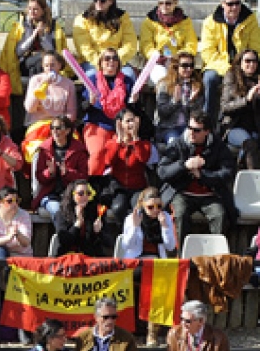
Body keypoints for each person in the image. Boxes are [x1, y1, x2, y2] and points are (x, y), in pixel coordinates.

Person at [156, 110, 236, 248]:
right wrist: (184, 165)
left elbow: (228, 172)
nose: (191, 132)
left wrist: (203, 176)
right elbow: (162, 171)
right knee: (179, 215)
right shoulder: (178, 144)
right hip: (182, 193)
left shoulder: (218, 146)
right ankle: (182, 261)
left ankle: (216, 260)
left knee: (220, 215)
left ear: (207, 131)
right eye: (189, 128)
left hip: (210, 195)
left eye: (196, 130)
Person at [199, 0, 260, 124]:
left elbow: (255, 48)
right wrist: (230, 69)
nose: (234, 7)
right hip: (218, 67)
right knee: (209, 79)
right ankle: (206, 123)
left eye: (237, 3)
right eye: (230, 4)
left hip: (244, 65)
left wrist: (242, 67)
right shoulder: (210, 22)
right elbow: (208, 53)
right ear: (222, 4)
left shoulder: (250, 20)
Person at [0, 0, 66, 99]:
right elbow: (18, 51)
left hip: (46, 64)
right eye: (29, 9)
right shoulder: (22, 25)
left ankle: (35, 96)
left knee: (40, 63)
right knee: (39, 60)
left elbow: (53, 51)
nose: (31, 12)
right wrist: (33, 36)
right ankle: (39, 94)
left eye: (35, 9)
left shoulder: (52, 26)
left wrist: (42, 36)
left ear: (43, 11)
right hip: (24, 61)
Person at [97, 106, 157, 225]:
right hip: (120, 188)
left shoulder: (144, 144)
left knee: (139, 209)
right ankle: (124, 233)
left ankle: (140, 235)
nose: (131, 124)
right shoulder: (111, 143)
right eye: (128, 121)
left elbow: (143, 158)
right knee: (118, 208)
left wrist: (135, 139)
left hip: (138, 188)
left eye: (133, 120)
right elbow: (109, 161)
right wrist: (119, 140)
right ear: (120, 124)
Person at [82, 48, 134, 176]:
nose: (111, 61)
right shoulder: (91, 80)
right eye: (107, 58)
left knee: (121, 153)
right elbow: (82, 108)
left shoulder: (127, 81)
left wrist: (134, 101)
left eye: (114, 58)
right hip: (96, 125)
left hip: (120, 127)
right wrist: (90, 102)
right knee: (98, 152)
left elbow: (133, 110)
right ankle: (92, 186)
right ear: (100, 63)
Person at [32, 115, 90, 217]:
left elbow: (84, 177)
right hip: (50, 194)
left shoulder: (79, 150)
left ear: (67, 131)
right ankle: (63, 233)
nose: (55, 131)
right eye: (52, 128)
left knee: (75, 210)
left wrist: (67, 172)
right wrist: (49, 172)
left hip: (72, 194)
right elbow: (40, 178)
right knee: (58, 211)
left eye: (58, 128)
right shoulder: (44, 150)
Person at [72, 0, 138, 81]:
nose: (98, 3)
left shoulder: (123, 18)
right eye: (96, 0)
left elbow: (130, 44)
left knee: (129, 75)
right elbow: (83, 48)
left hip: (117, 61)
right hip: (92, 62)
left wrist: (114, 60)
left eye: (102, 0)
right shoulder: (83, 19)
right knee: (91, 76)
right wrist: (101, 62)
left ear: (111, 1)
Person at [139, 0, 199, 86]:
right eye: (161, 3)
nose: (164, 6)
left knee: (180, 79)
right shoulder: (149, 21)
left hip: (178, 62)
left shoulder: (186, 22)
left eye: (168, 3)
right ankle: (164, 100)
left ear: (175, 3)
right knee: (163, 80)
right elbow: (146, 45)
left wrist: (179, 57)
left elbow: (191, 44)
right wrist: (157, 57)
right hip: (157, 62)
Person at [54, 180, 114, 256]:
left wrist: (99, 233)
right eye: (81, 194)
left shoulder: (95, 212)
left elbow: (110, 242)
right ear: (72, 196)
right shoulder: (61, 214)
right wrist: (78, 223)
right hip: (69, 258)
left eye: (88, 193)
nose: (85, 197)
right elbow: (64, 241)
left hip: (90, 259)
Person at [155, 51, 204, 146]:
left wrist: (191, 101)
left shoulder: (196, 85)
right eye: (185, 65)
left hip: (188, 127)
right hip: (168, 127)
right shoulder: (165, 84)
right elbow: (162, 113)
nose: (189, 69)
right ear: (176, 67)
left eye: (191, 65)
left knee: (192, 143)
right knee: (175, 143)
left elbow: (198, 116)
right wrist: (175, 102)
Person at [220, 49, 260, 161]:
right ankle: (252, 177)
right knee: (249, 143)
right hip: (235, 127)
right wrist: (247, 99)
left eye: (254, 61)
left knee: (252, 143)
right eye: (247, 61)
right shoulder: (232, 78)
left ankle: (240, 168)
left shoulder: (258, 80)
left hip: (255, 128)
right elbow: (225, 107)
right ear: (240, 63)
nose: (251, 64)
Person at [22, 51, 77, 130]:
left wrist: (60, 125)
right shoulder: (35, 80)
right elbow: (30, 108)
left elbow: (71, 112)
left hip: (61, 125)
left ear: (59, 65)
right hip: (39, 124)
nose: (49, 68)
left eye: (52, 65)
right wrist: (41, 86)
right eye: (46, 65)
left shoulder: (68, 84)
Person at [121, 186, 177, 259]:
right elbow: (126, 246)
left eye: (159, 206)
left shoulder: (165, 217)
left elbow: (170, 247)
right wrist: (134, 227)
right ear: (143, 205)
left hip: (157, 261)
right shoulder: (133, 218)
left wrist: (164, 226)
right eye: (150, 207)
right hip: (136, 260)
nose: (155, 210)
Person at [0, 186, 32, 259]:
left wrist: (18, 234)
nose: (14, 204)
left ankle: (1, 268)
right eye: (10, 201)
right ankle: (1, 268)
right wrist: (8, 238)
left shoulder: (24, 215)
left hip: (19, 256)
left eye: (17, 201)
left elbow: (26, 243)